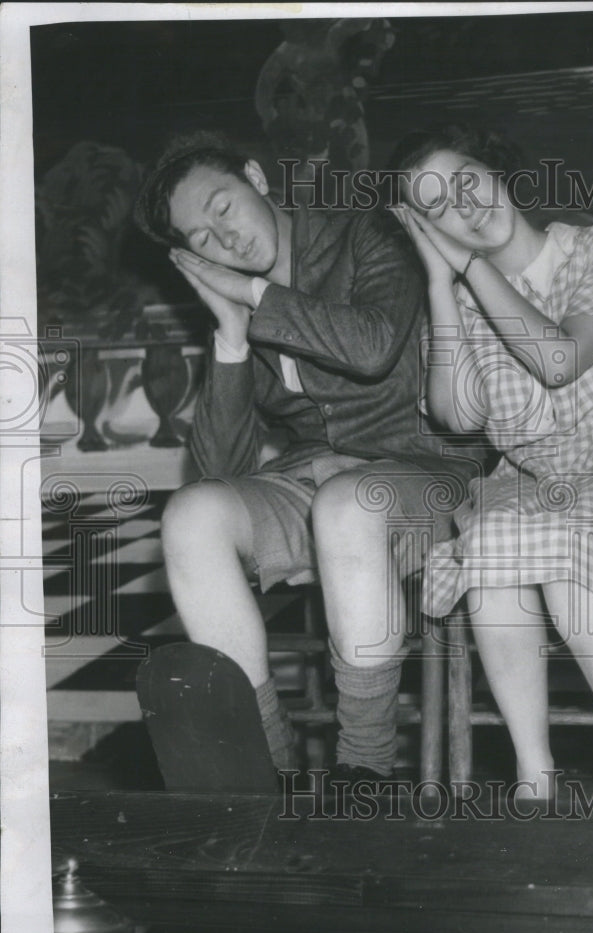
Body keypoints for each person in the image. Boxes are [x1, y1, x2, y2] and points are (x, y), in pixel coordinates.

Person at [389, 125, 593, 804]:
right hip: (534, 481)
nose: (468, 206)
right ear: (428, 230)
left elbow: (559, 361)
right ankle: (532, 774)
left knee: (565, 540)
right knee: (498, 543)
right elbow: (454, 415)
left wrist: (470, 267)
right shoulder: (460, 298)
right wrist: (436, 282)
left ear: (497, 171)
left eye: (467, 179)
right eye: (440, 207)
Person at [133, 131, 475, 785]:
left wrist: (258, 300)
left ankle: (364, 771)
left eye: (223, 207)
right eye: (200, 238)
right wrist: (230, 338)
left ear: (256, 178)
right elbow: (215, 469)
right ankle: (264, 767)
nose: (223, 240)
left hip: (424, 470)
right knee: (192, 516)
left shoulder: (367, 234)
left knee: (348, 504)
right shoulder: (240, 299)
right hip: (313, 477)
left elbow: (373, 345)